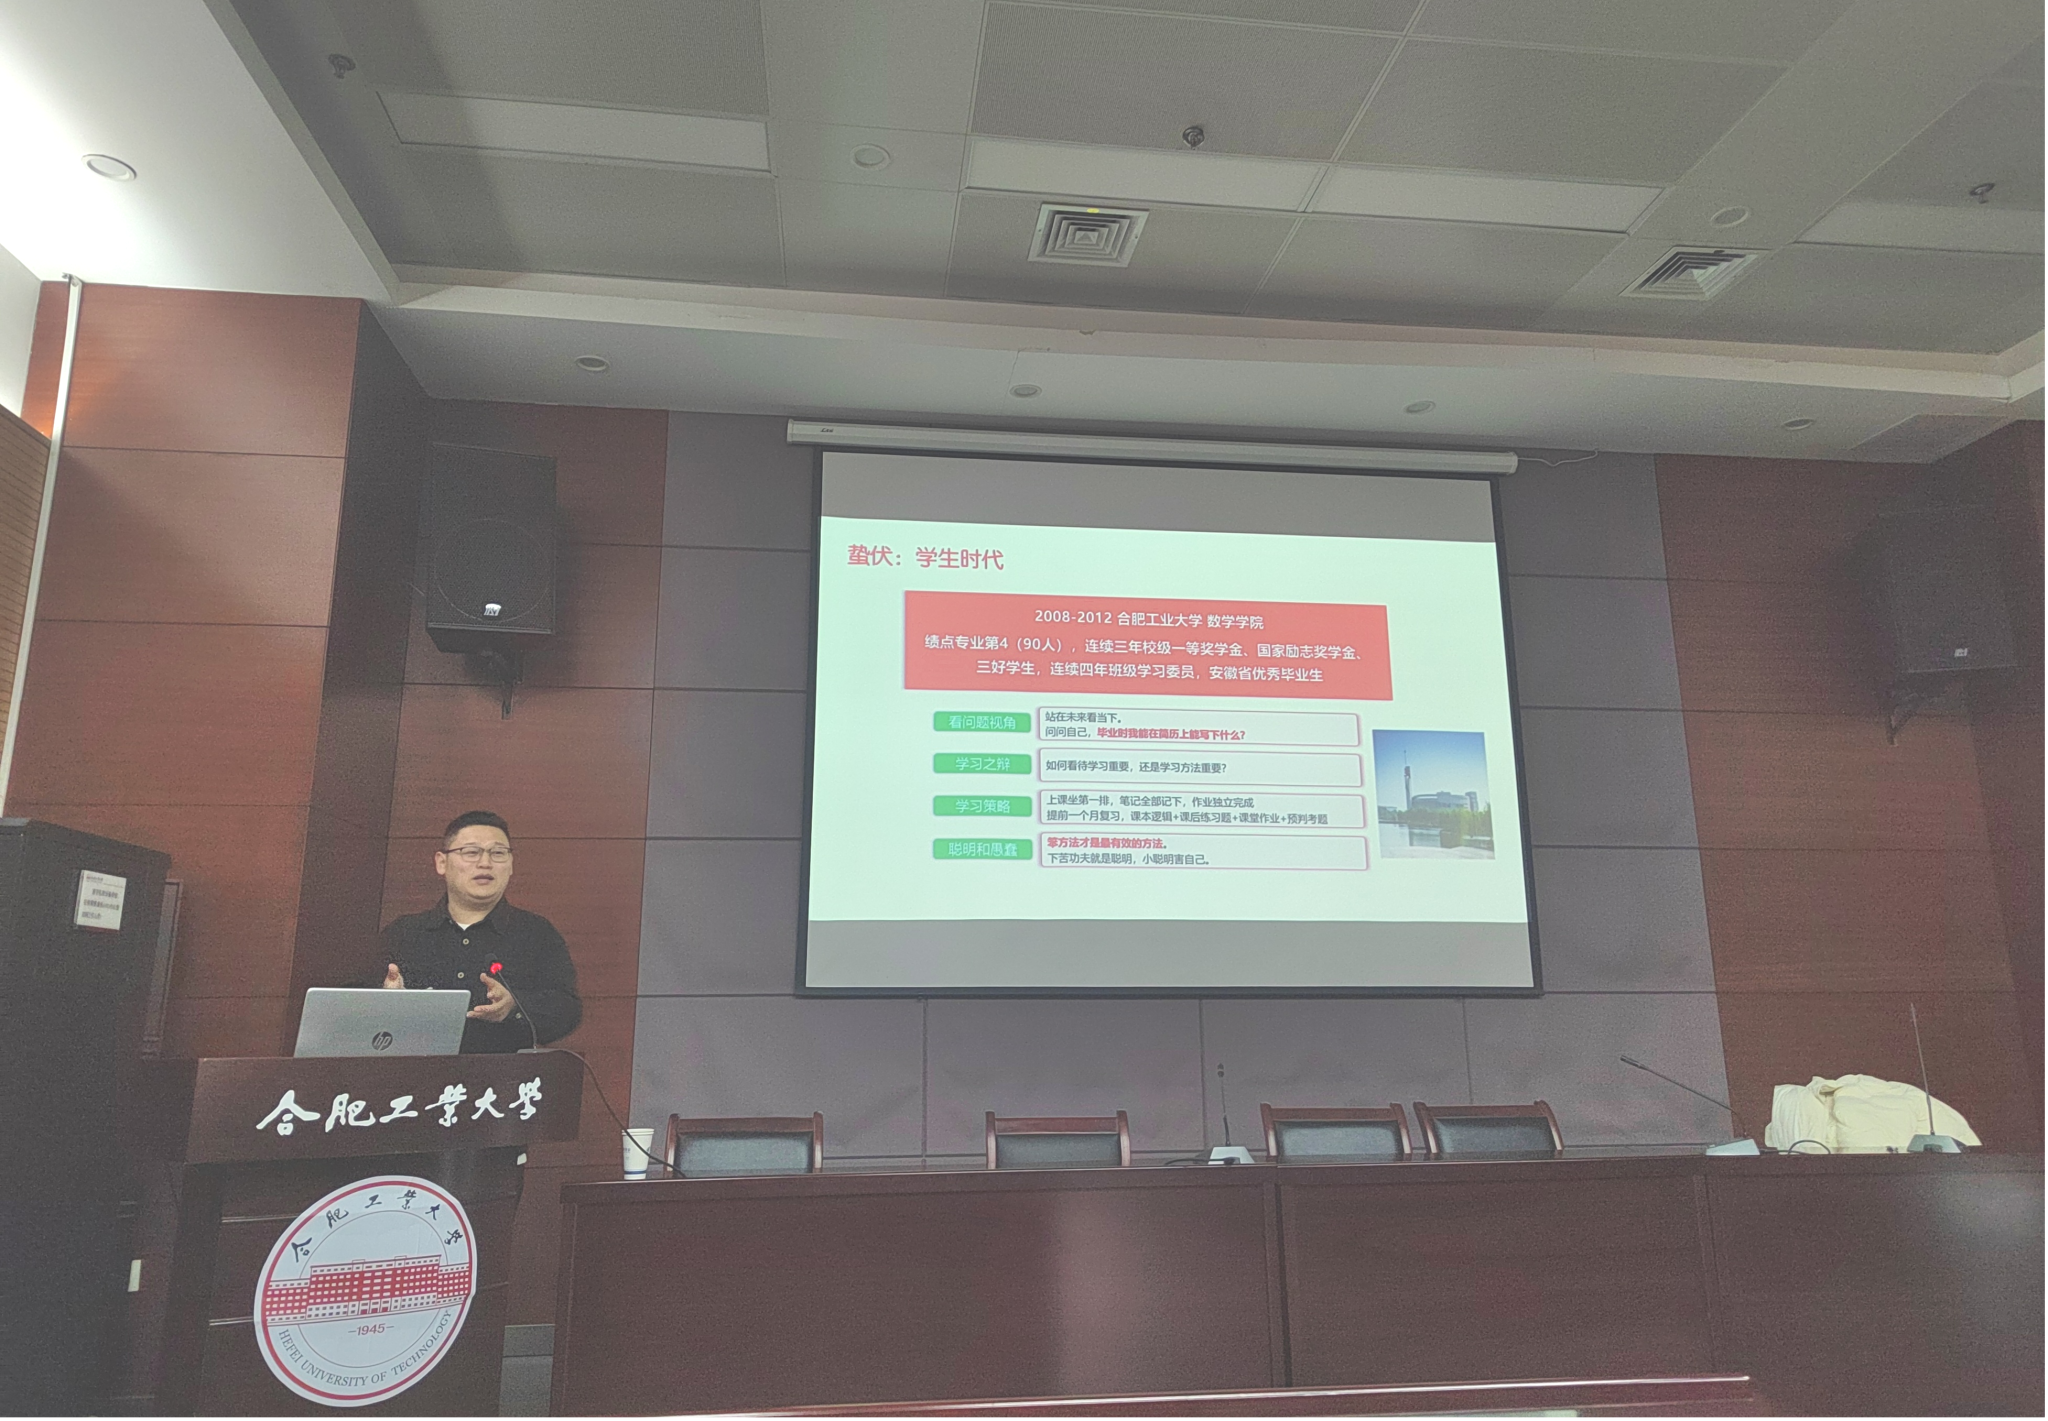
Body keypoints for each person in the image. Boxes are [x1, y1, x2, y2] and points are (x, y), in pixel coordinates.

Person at [376, 810, 582, 1053]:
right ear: (442, 863)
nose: (485, 863)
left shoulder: (536, 934)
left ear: (511, 864)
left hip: (503, 1073)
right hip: (417, 1072)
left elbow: (567, 1012)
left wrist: (514, 1006)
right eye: (471, 852)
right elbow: (355, 1010)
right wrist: (387, 1001)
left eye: (498, 853)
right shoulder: (404, 933)